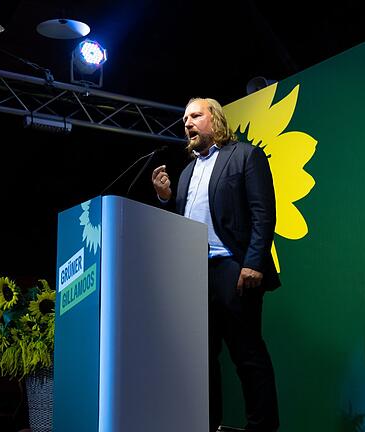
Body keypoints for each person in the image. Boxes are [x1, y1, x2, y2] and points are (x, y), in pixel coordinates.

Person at [151, 97, 280, 432]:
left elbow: (263, 214)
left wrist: (252, 263)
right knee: (202, 360)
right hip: (195, 275)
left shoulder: (245, 155)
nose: (187, 123)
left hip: (232, 269)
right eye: (184, 118)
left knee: (248, 356)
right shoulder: (186, 173)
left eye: (195, 115)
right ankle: (207, 425)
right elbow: (180, 225)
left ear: (216, 120)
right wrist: (166, 199)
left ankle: (262, 427)